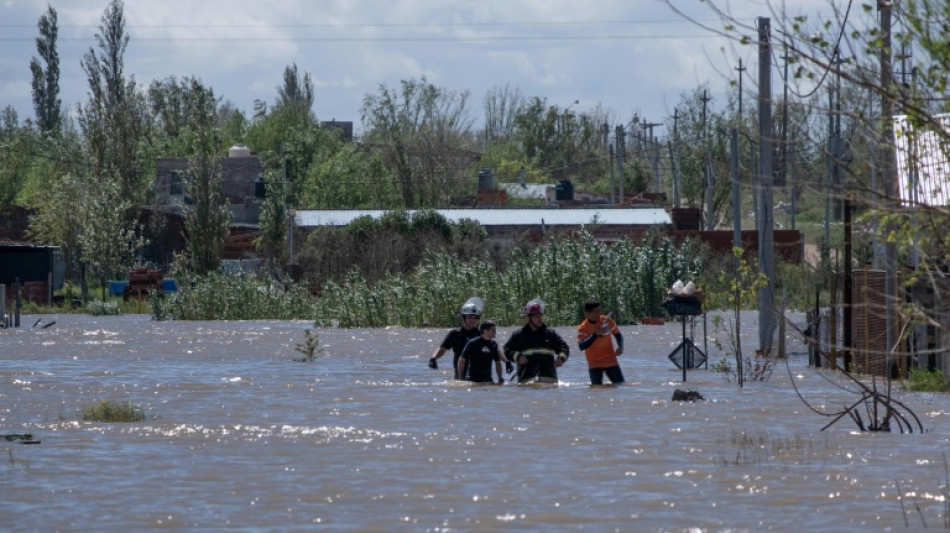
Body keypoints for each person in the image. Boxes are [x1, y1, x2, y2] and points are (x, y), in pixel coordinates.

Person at [503, 298, 570, 383]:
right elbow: (507, 350)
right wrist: (518, 357)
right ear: (529, 318)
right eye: (536, 316)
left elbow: (564, 347)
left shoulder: (550, 334)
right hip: (527, 382)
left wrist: (561, 359)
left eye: (540, 316)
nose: (539, 319)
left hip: (549, 381)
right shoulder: (518, 335)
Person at [428, 297, 483, 375]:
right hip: (460, 373)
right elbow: (442, 349)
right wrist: (433, 358)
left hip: (477, 373)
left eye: (475, 318)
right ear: (464, 318)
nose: (473, 320)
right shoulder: (455, 334)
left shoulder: (480, 334)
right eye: (470, 317)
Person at [576, 299, 625, 385]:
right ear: (587, 314)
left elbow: (618, 334)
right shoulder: (583, 328)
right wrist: (595, 334)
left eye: (599, 311)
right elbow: (581, 346)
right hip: (594, 364)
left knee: (621, 386)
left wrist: (620, 346)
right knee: (596, 390)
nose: (599, 314)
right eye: (596, 312)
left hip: (611, 361)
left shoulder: (607, 321)